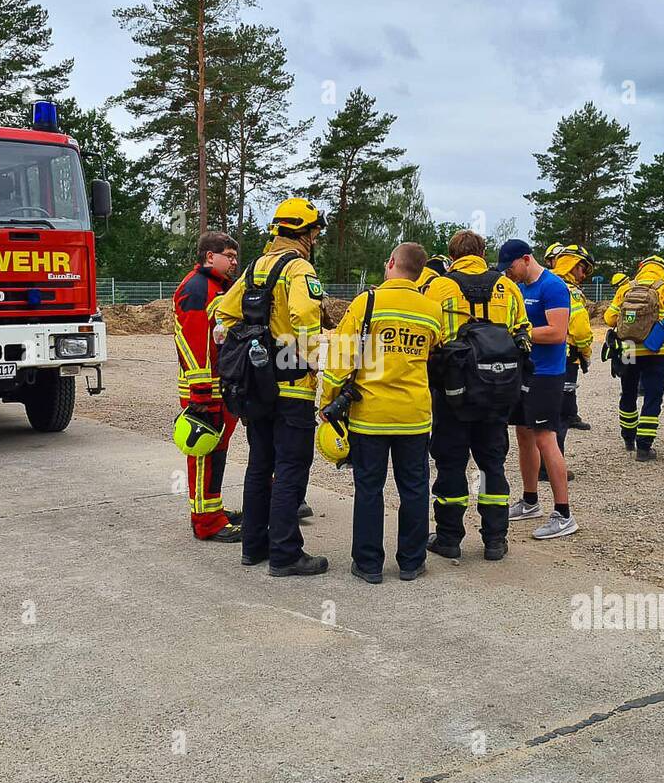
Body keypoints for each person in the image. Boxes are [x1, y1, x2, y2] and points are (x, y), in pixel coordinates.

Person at [214, 198, 328, 576]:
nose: (315, 238)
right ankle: (285, 554)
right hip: (293, 385)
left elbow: (223, 312)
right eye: (315, 231)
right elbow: (305, 313)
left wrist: (249, 342)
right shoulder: (299, 267)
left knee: (260, 465)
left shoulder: (254, 268)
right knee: (291, 467)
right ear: (305, 233)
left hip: (258, 388)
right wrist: (310, 355)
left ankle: (254, 546)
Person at [320, 243, 443, 583]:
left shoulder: (367, 303)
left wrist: (328, 402)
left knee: (370, 488)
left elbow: (340, 359)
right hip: (414, 416)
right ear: (420, 272)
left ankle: (369, 564)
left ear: (390, 263)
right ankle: (411, 561)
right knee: (415, 488)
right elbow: (435, 352)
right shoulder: (431, 310)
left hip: (369, 415)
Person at [424, 230, 531, 561]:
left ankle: (448, 538)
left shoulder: (439, 286)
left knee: (451, 465)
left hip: (453, 391)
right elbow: (522, 333)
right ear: (482, 252)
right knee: (492, 464)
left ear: (452, 255)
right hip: (497, 392)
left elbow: (427, 334)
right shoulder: (507, 286)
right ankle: (495, 540)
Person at [501, 239, 576, 539]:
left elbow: (558, 332)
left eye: (511, 267)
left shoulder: (553, 287)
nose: (509, 273)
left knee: (546, 438)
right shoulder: (518, 288)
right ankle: (530, 500)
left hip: (547, 374)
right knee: (523, 434)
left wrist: (520, 332)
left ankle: (564, 513)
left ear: (526, 259)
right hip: (524, 370)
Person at [173, 232, 242, 541]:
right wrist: (201, 393)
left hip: (217, 387)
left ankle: (213, 509)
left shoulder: (217, 288)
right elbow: (192, 340)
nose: (234, 262)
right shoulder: (198, 287)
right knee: (203, 452)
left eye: (235, 256)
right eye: (229, 255)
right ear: (209, 256)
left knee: (216, 452)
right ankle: (205, 522)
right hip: (204, 391)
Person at [603, 254, 664, 460]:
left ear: (641, 268)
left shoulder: (626, 288)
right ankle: (644, 446)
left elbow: (609, 318)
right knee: (652, 395)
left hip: (629, 348)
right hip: (654, 352)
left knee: (628, 391)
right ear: (663, 269)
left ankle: (628, 437)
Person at [552, 244, 596, 437]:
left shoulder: (543, 284)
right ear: (574, 265)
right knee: (559, 417)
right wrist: (586, 352)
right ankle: (552, 467)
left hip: (540, 358)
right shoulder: (571, 291)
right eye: (583, 268)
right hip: (566, 356)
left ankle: (539, 465)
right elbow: (579, 329)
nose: (584, 275)